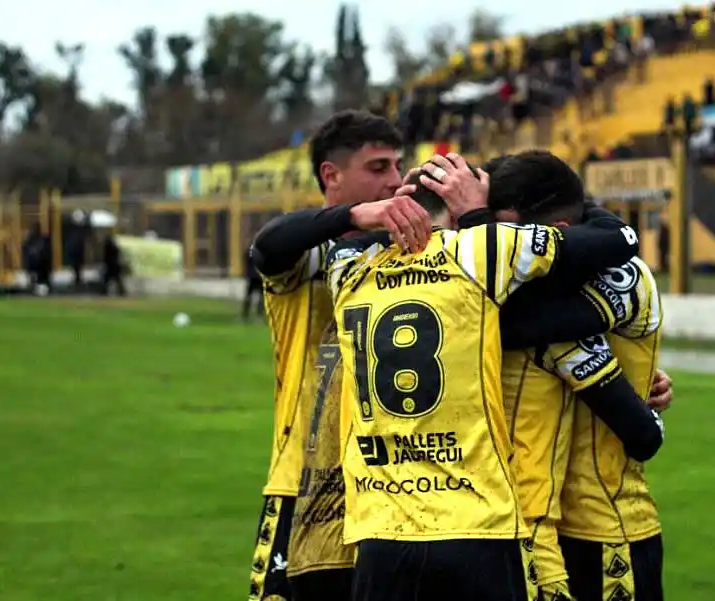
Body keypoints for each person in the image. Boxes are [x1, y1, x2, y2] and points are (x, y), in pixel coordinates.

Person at [326, 161, 641, 601]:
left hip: (380, 529)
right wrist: (478, 214)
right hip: (477, 525)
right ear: (458, 214)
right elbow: (618, 239)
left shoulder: (348, 269)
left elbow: (277, 242)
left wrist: (359, 215)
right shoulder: (482, 250)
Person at [420, 151, 668, 601]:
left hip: (606, 531)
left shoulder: (618, 277)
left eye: (505, 231)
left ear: (553, 237)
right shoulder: (510, 290)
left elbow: (641, 433)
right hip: (516, 529)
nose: (497, 246)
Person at [247, 110, 412, 601]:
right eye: (379, 168)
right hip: (302, 484)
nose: (395, 181)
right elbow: (267, 246)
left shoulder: (406, 254)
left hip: (391, 488)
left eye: (397, 167)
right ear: (331, 175)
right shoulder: (308, 256)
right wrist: (352, 218)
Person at [242, 247, 264, 320]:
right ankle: (257, 315)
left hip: (254, 277)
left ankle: (247, 315)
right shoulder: (260, 252)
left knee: (252, 296)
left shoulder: (250, 252)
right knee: (257, 297)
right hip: (256, 277)